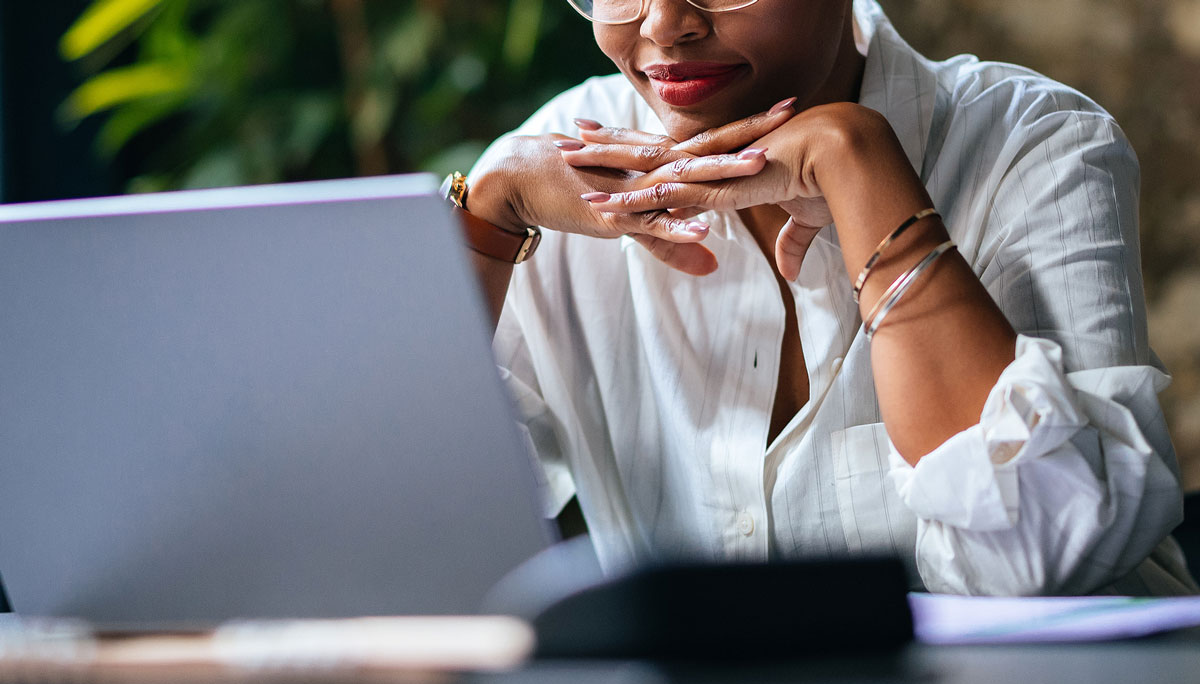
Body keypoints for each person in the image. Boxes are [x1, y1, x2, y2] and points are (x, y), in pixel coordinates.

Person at [446, 0, 1197, 595]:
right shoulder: (557, 162)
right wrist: (483, 219)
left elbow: (1053, 552)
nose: (665, 23)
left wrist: (861, 166)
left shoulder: (1034, 145)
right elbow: (410, 529)